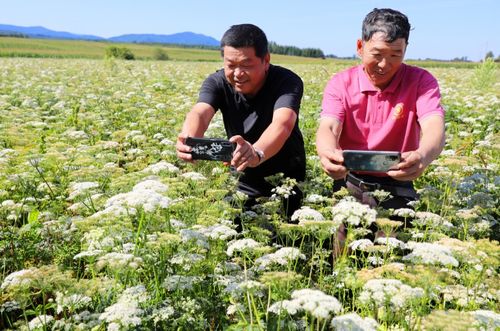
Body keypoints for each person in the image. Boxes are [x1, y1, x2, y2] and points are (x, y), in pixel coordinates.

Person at [316, 8, 445, 237]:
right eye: (377, 54)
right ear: (360, 47)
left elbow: (434, 125)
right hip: (349, 185)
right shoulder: (341, 83)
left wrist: (423, 156)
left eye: (396, 55)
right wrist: (327, 153)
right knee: (344, 259)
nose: (385, 65)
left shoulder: (421, 81)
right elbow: (329, 126)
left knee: (393, 261)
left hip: (398, 184)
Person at [176, 23, 306, 227]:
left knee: (284, 242)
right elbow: (200, 112)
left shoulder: (287, 81)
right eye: (230, 65)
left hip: (285, 181)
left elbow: (283, 123)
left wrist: (257, 152)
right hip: (242, 181)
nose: (237, 73)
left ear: (266, 60)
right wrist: (189, 139)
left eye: (246, 65)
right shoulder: (217, 82)